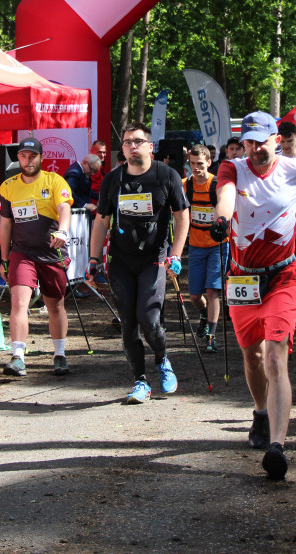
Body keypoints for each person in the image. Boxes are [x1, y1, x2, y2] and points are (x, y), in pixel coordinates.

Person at [209, 111, 296, 481]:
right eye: (250, 141)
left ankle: (278, 445)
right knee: (252, 356)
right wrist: (221, 220)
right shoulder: (232, 168)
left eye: (263, 140)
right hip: (243, 278)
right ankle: (260, 412)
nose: (257, 148)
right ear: (243, 143)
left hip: (284, 276)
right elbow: (226, 195)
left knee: (275, 355)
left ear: (278, 139)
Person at [88, 122, 190, 404]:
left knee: (148, 318)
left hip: (154, 259)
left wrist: (177, 254)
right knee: (128, 323)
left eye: (137, 141)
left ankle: (162, 358)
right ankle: (140, 381)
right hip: (121, 261)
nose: (132, 146)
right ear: (122, 149)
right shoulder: (113, 179)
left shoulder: (166, 175)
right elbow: (101, 221)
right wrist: (94, 259)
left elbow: (183, 217)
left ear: (149, 146)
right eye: (127, 142)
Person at [0, 136, 74, 377]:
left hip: (52, 253)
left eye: (32, 156)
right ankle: (18, 356)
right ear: (17, 157)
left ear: (41, 158)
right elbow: (6, 225)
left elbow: (64, 208)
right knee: (19, 302)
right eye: (23, 156)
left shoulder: (54, 180)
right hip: (22, 253)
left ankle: (59, 354)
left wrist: (62, 230)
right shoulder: (8, 186)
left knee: (55, 305)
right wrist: (4, 258)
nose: (27, 161)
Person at [182, 144, 228, 353]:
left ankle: (211, 335)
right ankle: (203, 314)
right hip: (196, 245)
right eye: (192, 164)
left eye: (200, 164)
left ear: (209, 162)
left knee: (213, 291)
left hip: (218, 246)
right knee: (193, 295)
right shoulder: (185, 185)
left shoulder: (217, 184)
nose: (196, 168)